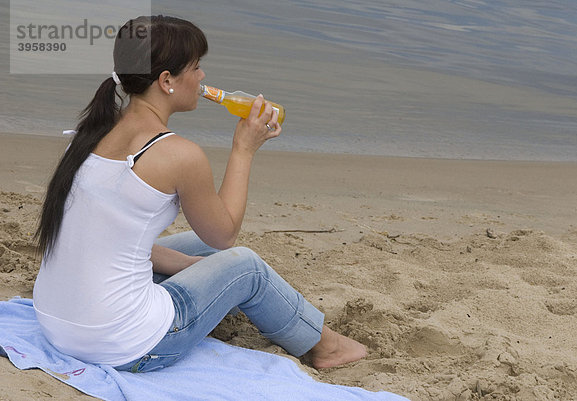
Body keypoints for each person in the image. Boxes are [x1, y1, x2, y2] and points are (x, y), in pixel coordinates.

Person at [32, 15, 367, 373]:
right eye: (195, 67)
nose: (203, 77)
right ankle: (326, 347)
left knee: (201, 249)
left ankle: (289, 318)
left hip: (56, 323)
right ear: (166, 81)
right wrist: (243, 148)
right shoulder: (178, 155)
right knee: (245, 266)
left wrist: (192, 266)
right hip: (122, 343)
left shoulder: (90, 132)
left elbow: (107, 239)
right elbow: (224, 235)